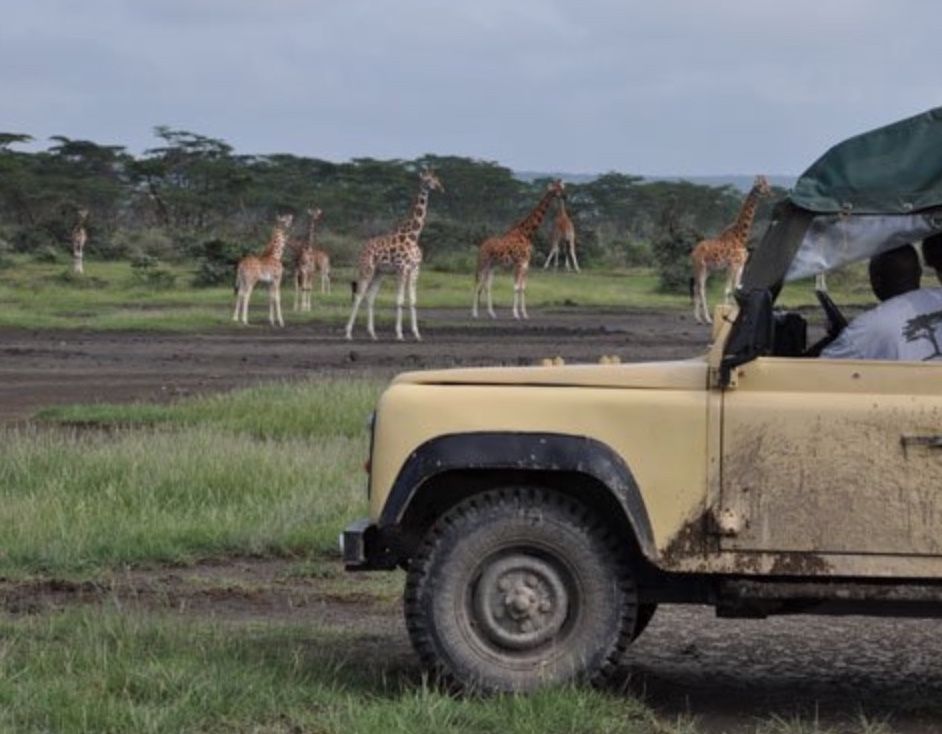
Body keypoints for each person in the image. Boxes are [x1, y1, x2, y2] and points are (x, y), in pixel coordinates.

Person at [821, 243, 942, 361]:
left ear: (875, 280)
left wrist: (840, 338)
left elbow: (818, 371)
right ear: (919, 273)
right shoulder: (938, 298)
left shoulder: (865, 329)